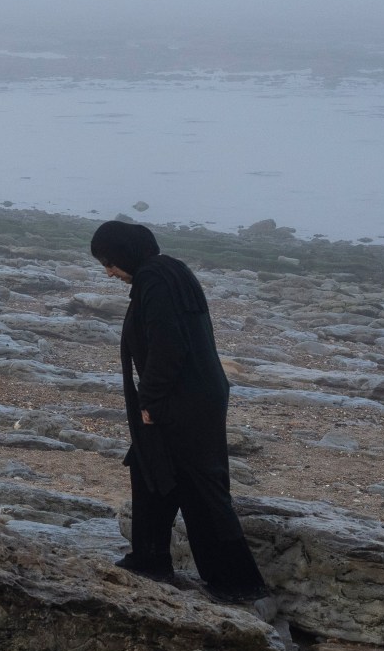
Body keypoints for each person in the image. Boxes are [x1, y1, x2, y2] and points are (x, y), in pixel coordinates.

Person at [92, 219, 269, 603]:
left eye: (108, 262)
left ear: (125, 253)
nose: (108, 272)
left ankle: (238, 583)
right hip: (197, 395)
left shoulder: (154, 279)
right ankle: (150, 557)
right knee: (151, 466)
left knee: (201, 487)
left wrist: (151, 401)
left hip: (181, 401)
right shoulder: (169, 270)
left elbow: (168, 345)